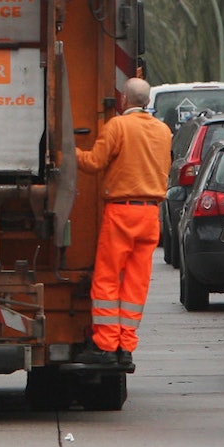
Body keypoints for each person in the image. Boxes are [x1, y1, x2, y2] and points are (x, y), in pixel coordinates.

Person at [74, 77, 172, 365]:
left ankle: (105, 344)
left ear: (124, 101)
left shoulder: (118, 126)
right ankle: (126, 347)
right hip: (151, 213)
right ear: (148, 102)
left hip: (122, 211)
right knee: (136, 282)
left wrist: (67, 152)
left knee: (107, 278)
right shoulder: (163, 131)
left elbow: (94, 163)